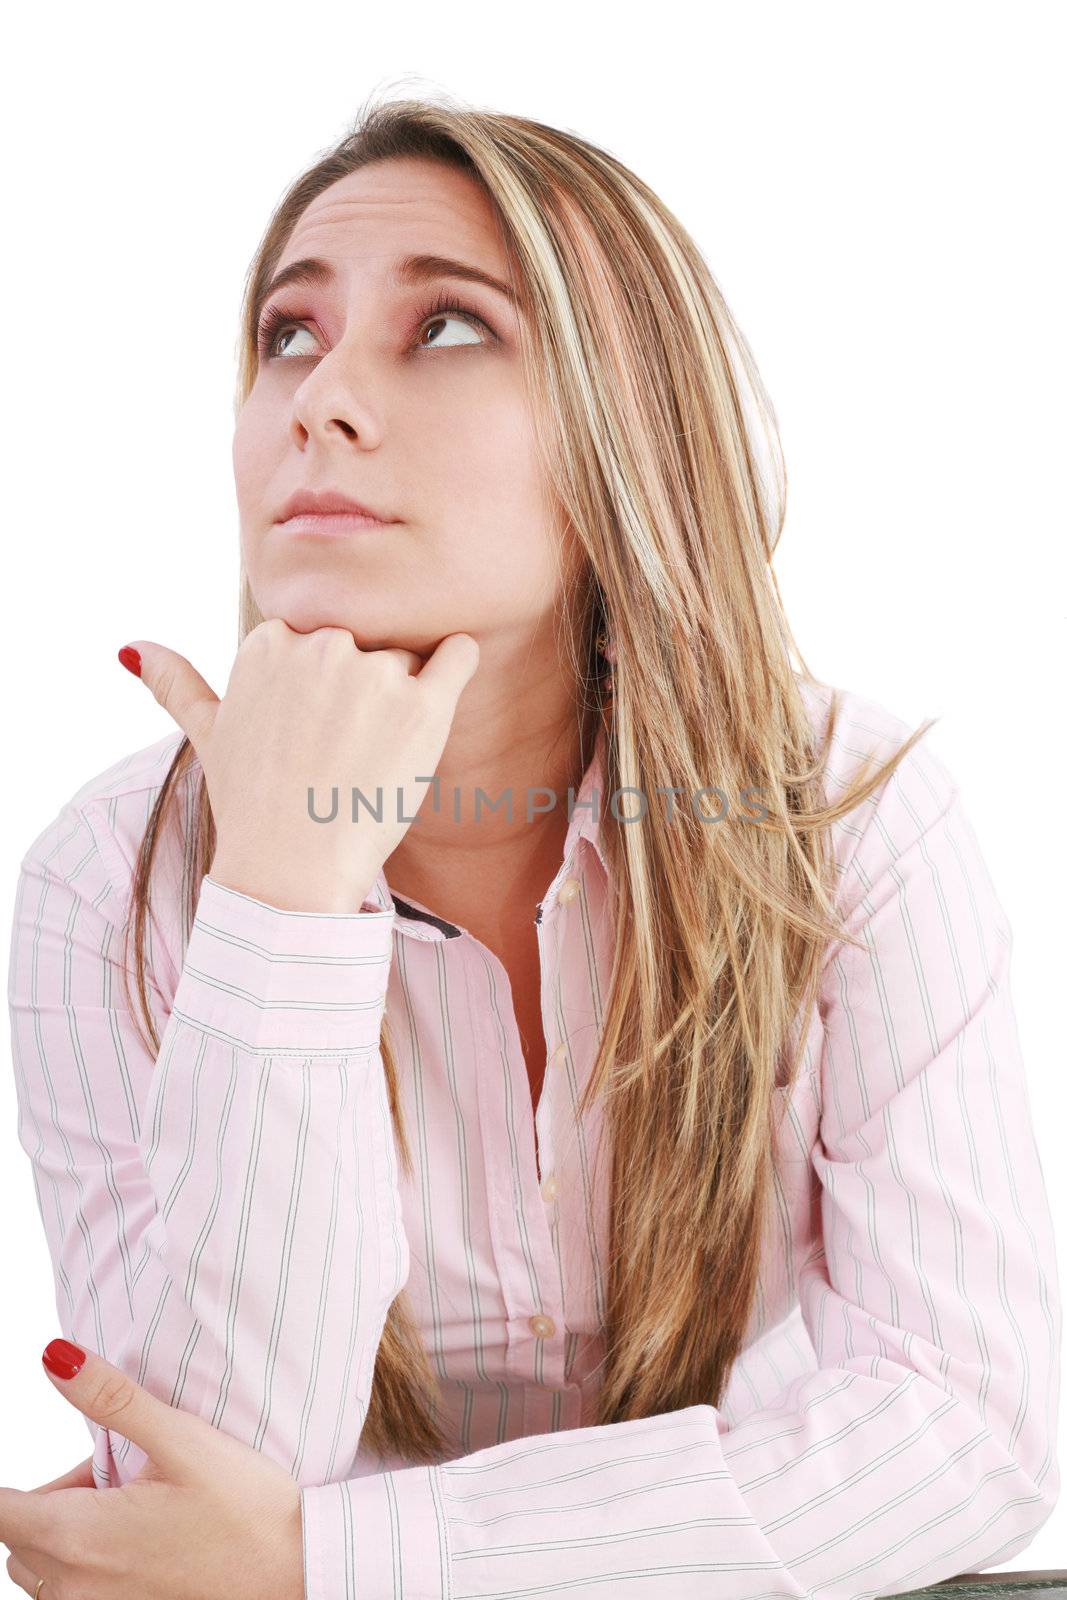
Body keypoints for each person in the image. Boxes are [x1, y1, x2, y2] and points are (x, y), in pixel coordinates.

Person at [6, 95, 1060, 1599]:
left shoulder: (851, 816)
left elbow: (965, 1434)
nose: (320, 400)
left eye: (445, 329)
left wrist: (344, 1559)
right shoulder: (108, 878)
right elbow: (201, 1476)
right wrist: (284, 904)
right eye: (289, 335)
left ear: (631, 422)